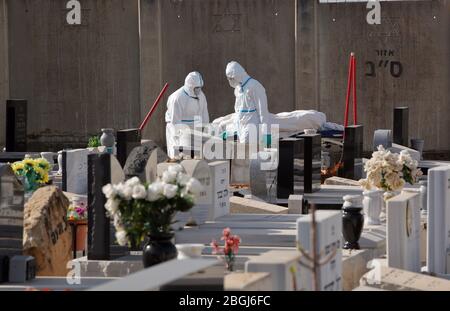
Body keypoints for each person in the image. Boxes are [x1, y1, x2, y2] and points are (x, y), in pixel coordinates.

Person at [165, 71, 210, 158]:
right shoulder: (177, 98)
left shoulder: (201, 96)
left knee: (195, 155)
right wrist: (179, 139)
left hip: (193, 127)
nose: (199, 90)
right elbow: (175, 122)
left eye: (200, 87)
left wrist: (205, 132)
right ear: (190, 87)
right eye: (197, 88)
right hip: (177, 127)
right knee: (179, 155)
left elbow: (204, 115)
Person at [225, 61, 270, 144]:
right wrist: (233, 130)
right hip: (240, 125)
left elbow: (262, 110)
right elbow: (238, 111)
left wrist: (266, 132)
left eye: (231, 78)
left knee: (247, 152)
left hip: (251, 124)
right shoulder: (238, 89)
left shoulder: (254, 86)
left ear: (237, 75)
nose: (230, 81)